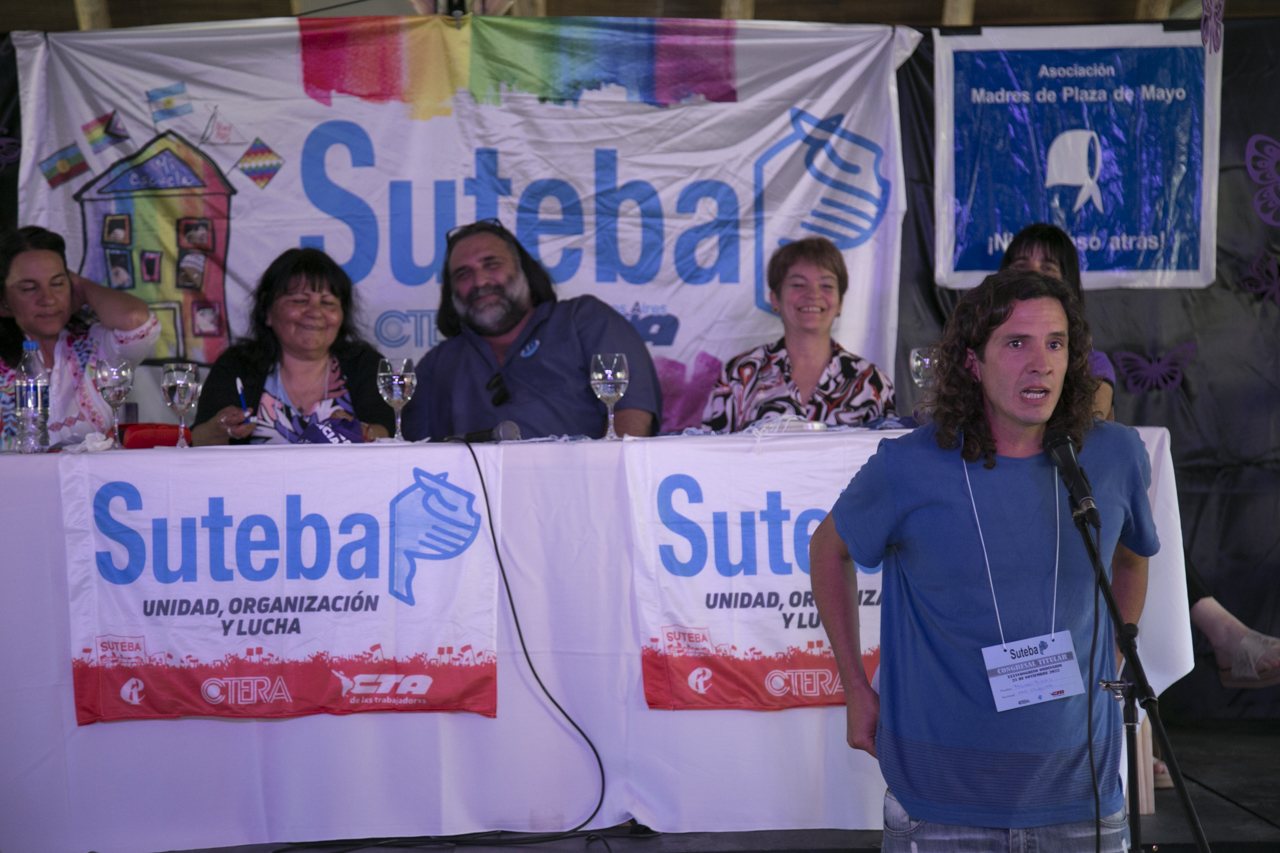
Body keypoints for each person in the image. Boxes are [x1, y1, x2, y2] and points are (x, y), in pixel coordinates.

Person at [810, 269, 1158, 851]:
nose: (1040, 363)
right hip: (939, 802)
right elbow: (828, 549)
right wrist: (854, 687)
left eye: (1055, 343)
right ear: (973, 362)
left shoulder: (1114, 455)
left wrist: (1112, 657)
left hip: (1081, 796)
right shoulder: (908, 466)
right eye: (1016, 343)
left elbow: (1131, 559)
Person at [1001, 223, 1280, 691]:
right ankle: (1218, 631)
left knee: (1132, 517)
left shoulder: (1090, 364)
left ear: (1068, 288)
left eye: (1047, 268)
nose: (1031, 275)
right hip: (997, 515)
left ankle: (1142, 698)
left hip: (1063, 506)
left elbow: (1087, 428)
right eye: (1019, 265)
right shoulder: (975, 357)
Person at [401, 219, 660, 441]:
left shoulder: (584, 320)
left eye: (491, 264)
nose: (480, 281)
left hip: (586, 482)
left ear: (522, 270)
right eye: (463, 274)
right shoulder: (436, 365)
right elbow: (414, 452)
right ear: (451, 291)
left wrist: (604, 476)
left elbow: (631, 413)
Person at [192, 248, 393, 445]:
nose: (315, 312)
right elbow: (197, 440)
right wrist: (220, 428)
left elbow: (388, 431)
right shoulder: (237, 364)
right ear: (267, 308)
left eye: (328, 303)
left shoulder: (365, 363)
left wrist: (359, 431)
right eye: (300, 300)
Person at [703, 237, 894, 432]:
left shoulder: (871, 383)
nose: (813, 294)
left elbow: (889, 449)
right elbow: (711, 449)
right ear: (775, 300)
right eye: (798, 285)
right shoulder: (740, 375)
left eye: (826, 286)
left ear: (840, 303)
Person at [0, 226, 159, 448]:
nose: (48, 299)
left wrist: (83, 288)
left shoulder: (96, 346)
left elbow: (135, 319)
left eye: (57, 283)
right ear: (3, 298)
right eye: (29, 288)